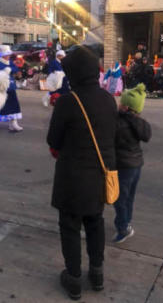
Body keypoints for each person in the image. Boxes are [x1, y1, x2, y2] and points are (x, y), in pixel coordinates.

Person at [47, 47, 117, 299]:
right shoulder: (109, 99)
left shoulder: (68, 101)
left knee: (70, 226)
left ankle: (74, 277)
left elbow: (53, 140)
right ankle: (97, 273)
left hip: (72, 177)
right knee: (95, 223)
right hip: (100, 174)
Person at [112, 83, 152, 243]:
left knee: (119, 198)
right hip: (136, 164)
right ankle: (126, 220)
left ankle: (123, 227)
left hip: (123, 165)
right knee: (129, 197)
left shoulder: (120, 123)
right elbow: (147, 135)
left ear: (126, 107)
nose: (118, 104)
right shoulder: (140, 123)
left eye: (121, 103)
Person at [0, 45, 24, 132]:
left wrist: (10, 69)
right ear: (1, 54)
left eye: (9, 54)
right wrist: (5, 71)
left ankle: (13, 123)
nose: (8, 56)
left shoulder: (9, 61)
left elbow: (15, 68)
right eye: (6, 54)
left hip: (10, 86)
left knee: (14, 105)